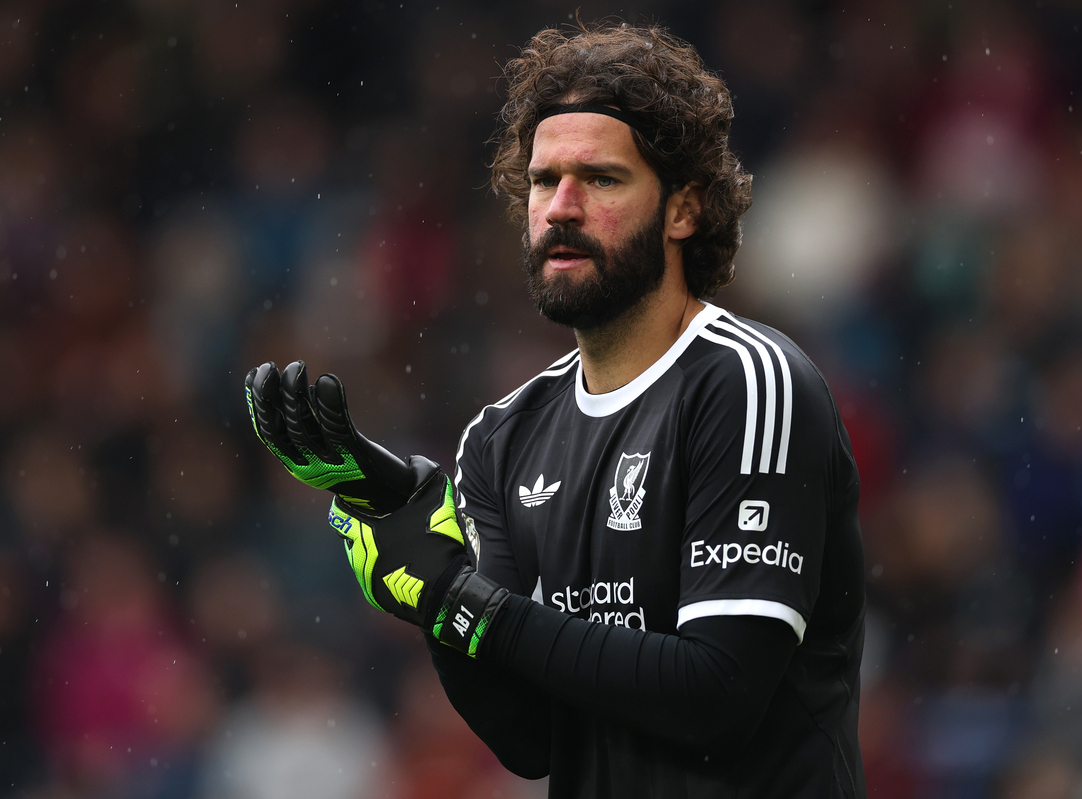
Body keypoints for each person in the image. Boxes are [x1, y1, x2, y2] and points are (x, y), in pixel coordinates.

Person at [246, 22, 866, 799]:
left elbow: (719, 693)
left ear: (684, 210)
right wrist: (415, 544)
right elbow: (531, 735)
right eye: (545, 181)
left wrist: (458, 600)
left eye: (601, 179)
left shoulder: (749, 384)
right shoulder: (502, 437)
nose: (561, 207)